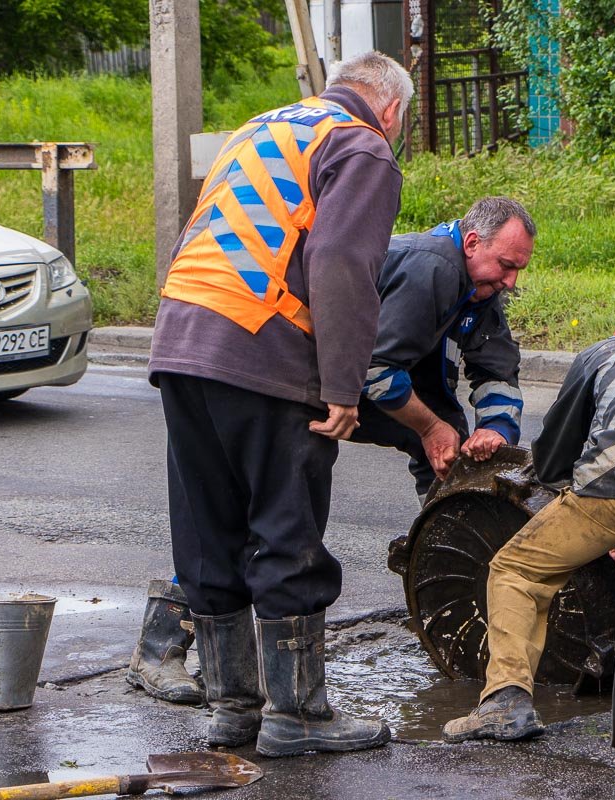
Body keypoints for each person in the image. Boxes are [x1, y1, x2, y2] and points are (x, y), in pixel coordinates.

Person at [143, 51, 413, 759]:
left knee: (210, 529)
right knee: (284, 528)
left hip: (181, 337)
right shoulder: (361, 144)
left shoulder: (262, 128)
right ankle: (297, 714)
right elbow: (343, 264)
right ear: (390, 109)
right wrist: (342, 388)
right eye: (402, 125)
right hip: (263, 346)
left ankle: (233, 712)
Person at [442, 302, 615, 743]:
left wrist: (578, 497)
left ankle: (503, 702)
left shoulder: (604, 352)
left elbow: (557, 451)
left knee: (515, 570)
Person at [351, 197, 535, 501]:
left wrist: (496, 429)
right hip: (307, 376)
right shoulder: (433, 268)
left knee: (451, 449)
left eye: (518, 270)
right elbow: (376, 368)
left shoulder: (481, 287)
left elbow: (497, 370)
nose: (512, 281)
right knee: (296, 476)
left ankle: (445, 541)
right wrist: (429, 428)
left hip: (371, 373)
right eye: (506, 266)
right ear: (473, 243)